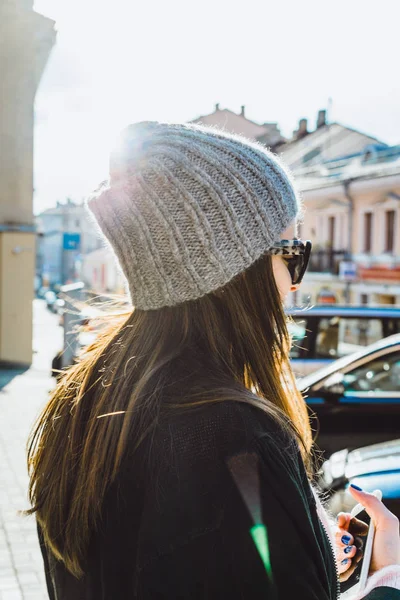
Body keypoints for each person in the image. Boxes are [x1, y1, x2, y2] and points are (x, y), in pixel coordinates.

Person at [26, 122, 400, 599]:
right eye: (292, 254)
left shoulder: (83, 404)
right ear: (233, 273)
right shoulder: (235, 438)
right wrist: (387, 580)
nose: (296, 282)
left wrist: (312, 555)